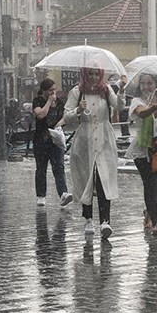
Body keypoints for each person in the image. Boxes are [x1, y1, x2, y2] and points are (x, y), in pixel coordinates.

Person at [63, 66, 126, 239]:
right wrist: (78, 110)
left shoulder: (106, 90)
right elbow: (66, 115)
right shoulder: (77, 91)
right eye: (89, 73)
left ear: (100, 74)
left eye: (96, 73)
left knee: (104, 179)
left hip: (104, 138)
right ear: (84, 74)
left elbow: (119, 106)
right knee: (86, 179)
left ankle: (105, 220)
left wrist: (121, 89)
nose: (93, 76)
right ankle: (88, 218)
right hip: (85, 139)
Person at [124, 73, 157, 236]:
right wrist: (154, 107)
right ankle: (155, 222)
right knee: (150, 184)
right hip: (143, 148)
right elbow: (141, 113)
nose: (146, 87)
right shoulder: (137, 101)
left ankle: (149, 211)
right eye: (143, 83)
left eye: (150, 83)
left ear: (156, 84)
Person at [32, 78, 72, 208]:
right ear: (44, 91)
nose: (53, 93)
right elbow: (40, 115)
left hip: (55, 140)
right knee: (41, 168)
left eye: (54, 90)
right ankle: (41, 196)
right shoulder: (38, 101)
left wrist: (58, 126)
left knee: (59, 167)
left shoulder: (59, 102)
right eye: (50, 90)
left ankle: (63, 194)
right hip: (41, 140)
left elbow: (64, 118)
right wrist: (49, 102)